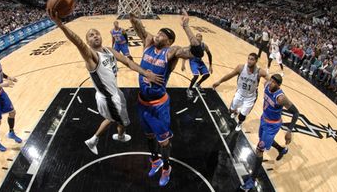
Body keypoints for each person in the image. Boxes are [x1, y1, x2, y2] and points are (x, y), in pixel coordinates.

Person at [48, 9, 164, 156]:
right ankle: (96, 140)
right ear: (88, 42)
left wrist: (145, 73)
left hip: (115, 92)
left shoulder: (109, 50)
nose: (95, 35)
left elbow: (128, 62)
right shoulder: (92, 56)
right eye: (91, 35)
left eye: (96, 33)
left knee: (116, 119)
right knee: (120, 121)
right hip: (108, 97)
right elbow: (78, 42)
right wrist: (61, 25)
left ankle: (113, 136)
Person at [129, 10, 203, 187]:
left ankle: (166, 168)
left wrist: (186, 27)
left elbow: (197, 52)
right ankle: (155, 161)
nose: (158, 34)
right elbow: (135, 23)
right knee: (148, 135)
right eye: (159, 32)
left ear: (169, 41)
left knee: (163, 141)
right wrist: (132, 12)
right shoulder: (147, 42)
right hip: (142, 102)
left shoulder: (171, 52)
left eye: (163, 34)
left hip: (158, 105)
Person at [241, 74, 300, 190]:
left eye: (274, 82)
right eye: (271, 80)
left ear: (278, 85)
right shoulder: (266, 84)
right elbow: (261, 75)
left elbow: (296, 113)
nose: (271, 83)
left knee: (259, 150)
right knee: (262, 139)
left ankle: (252, 180)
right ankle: (281, 149)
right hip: (264, 119)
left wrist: (289, 131)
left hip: (272, 125)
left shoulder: (281, 98)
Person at [213, 53, 269, 131]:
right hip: (240, 93)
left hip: (250, 97)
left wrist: (267, 86)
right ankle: (236, 111)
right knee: (231, 110)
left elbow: (270, 80)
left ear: (256, 61)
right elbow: (230, 75)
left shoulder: (260, 72)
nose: (249, 61)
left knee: (243, 115)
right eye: (248, 59)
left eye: (252, 59)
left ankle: (239, 123)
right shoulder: (241, 68)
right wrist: (219, 81)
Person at [181, 33, 213, 97]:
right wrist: (183, 64)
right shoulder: (192, 45)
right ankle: (189, 89)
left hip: (199, 61)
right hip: (193, 61)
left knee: (207, 74)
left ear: (201, 38)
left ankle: (198, 84)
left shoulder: (204, 46)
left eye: (199, 37)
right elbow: (185, 53)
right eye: (197, 37)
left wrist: (210, 66)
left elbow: (209, 55)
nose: (198, 38)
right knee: (196, 76)